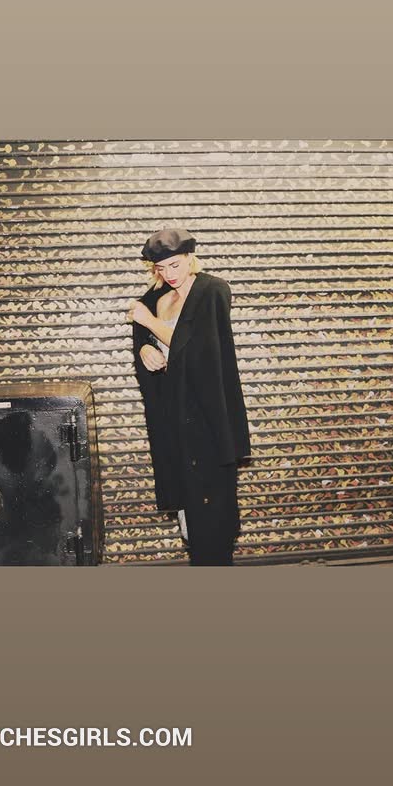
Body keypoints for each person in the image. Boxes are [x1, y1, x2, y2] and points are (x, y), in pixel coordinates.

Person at [127, 228, 250, 565]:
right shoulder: (155, 298)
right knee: (189, 517)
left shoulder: (212, 291)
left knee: (214, 512)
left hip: (208, 415)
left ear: (190, 258)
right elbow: (147, 342)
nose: (169, 274)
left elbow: (196, 348)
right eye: (161, 268)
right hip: (174, 414)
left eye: (175, 265)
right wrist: (145, 350)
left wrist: (149, 323)